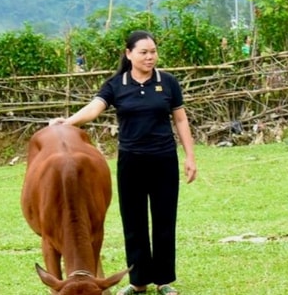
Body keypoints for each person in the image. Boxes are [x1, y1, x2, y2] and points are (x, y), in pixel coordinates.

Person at [52, 30, 197, 295]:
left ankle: (164, 281)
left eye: (153, 51)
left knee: (165, 220)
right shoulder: (116, 85)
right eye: (143, 52)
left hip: (164, 159)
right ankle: (138, 281)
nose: (150, 57)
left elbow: (180, 119)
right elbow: (94, 109)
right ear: (128, 54)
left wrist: (190, 156)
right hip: (130, 161)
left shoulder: (168, 82)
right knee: (134, 221)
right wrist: (68, 122)